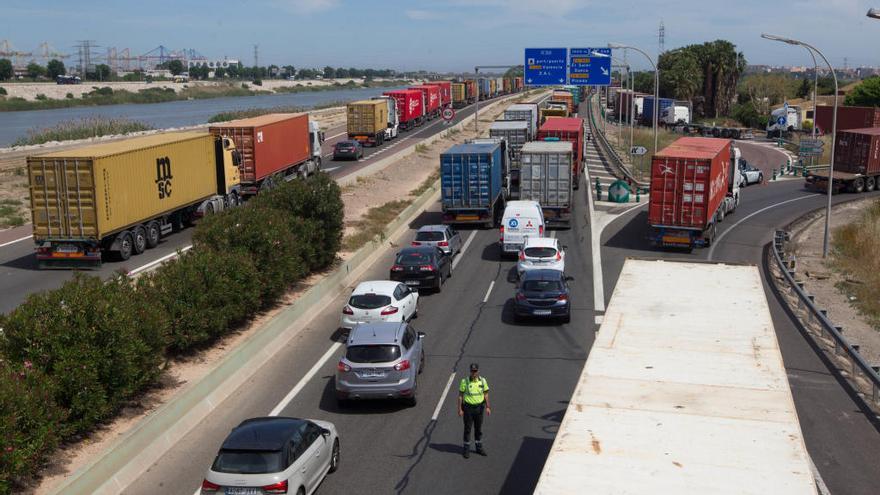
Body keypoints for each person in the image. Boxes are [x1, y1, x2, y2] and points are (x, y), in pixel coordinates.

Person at [458, 362, 490, 458]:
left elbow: (486, 394)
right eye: (472, 371)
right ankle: (466, 449)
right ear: (470, 371)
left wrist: (488, 407)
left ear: (478, 371)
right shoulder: (465, 381)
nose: (474, 373)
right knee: (467, 429)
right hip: (468, 409)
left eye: (475, 371)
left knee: (478, 429)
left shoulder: (483, 381)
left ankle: (479, 448)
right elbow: (460, 396)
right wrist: (459, 409)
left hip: (479, 409)